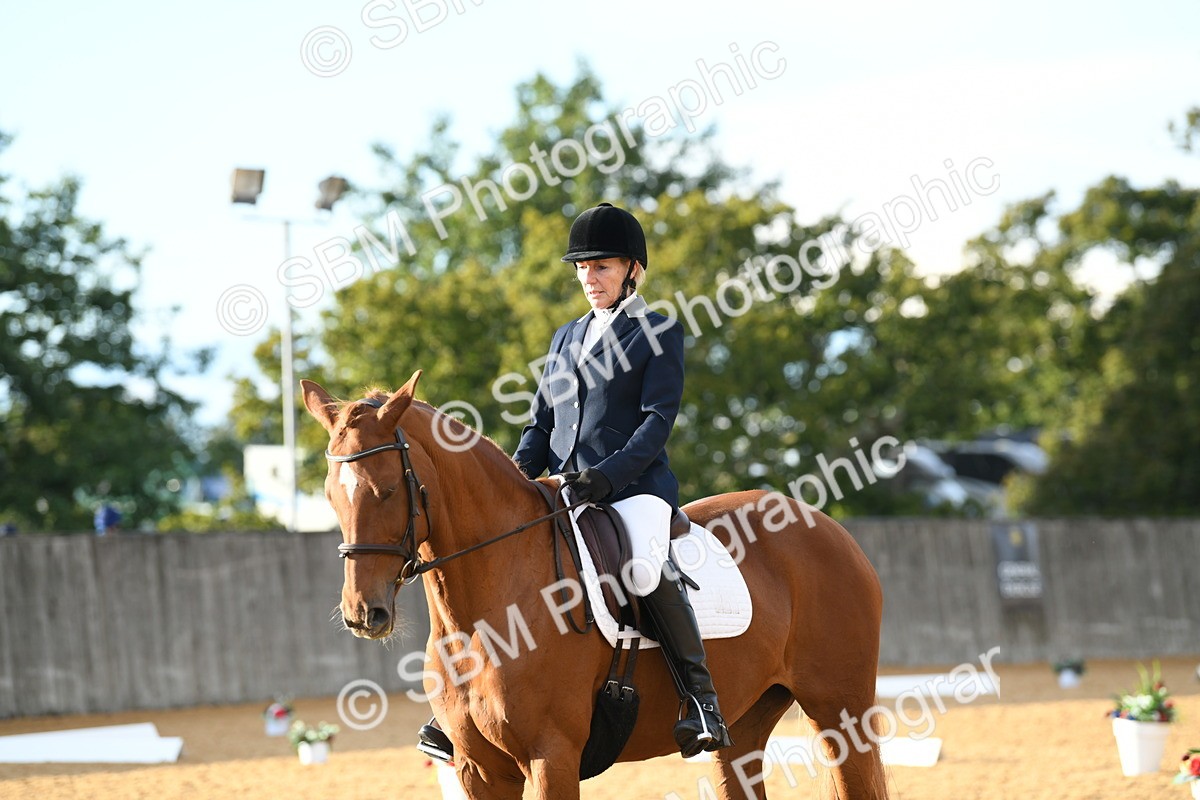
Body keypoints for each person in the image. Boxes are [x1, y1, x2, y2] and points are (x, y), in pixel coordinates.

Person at [417, 202, 733, 763]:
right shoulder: (567, 336)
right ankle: (465, 703)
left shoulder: (657, 331)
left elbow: (657, 421)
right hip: (563, 488)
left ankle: (700, 700)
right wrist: (512, 485)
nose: (590, 278)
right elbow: (541, 422)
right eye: (582, 268)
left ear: (633, 269)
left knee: (641, 565)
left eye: (602, 267)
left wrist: (605, 478)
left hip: (633, 490)